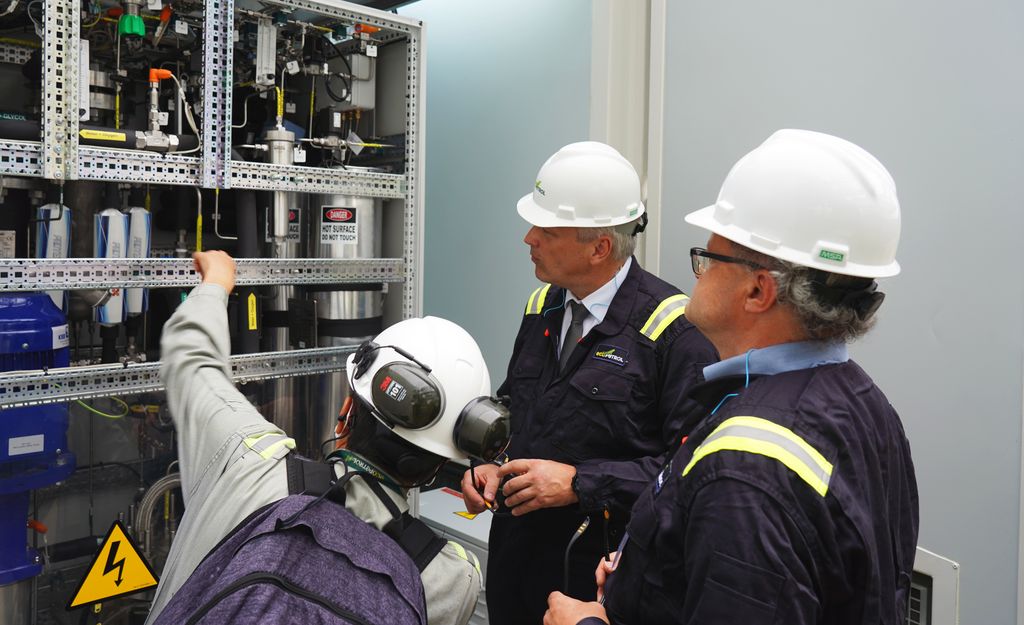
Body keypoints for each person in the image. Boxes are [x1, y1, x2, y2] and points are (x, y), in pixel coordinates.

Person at [543, 129, 920, 625]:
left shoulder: (747, 470)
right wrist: (647, 571)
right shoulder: (867, 405)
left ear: (758, 290)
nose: (697, 270)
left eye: (709, 256)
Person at [145, 250, 510, 625]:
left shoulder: (247, 458)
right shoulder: (448, 577)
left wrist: (216, 283)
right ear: (436, 466)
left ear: (347, 411)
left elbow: (193, 361)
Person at [460, 141, 718, 625]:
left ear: (599, 247)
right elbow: (516, 406)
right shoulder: (544, 306)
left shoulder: (673, 332)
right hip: (516, 564)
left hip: (595, 583)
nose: (528, 238)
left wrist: (581, 483)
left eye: (546, 229)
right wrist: (489, 463)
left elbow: (689, 474)